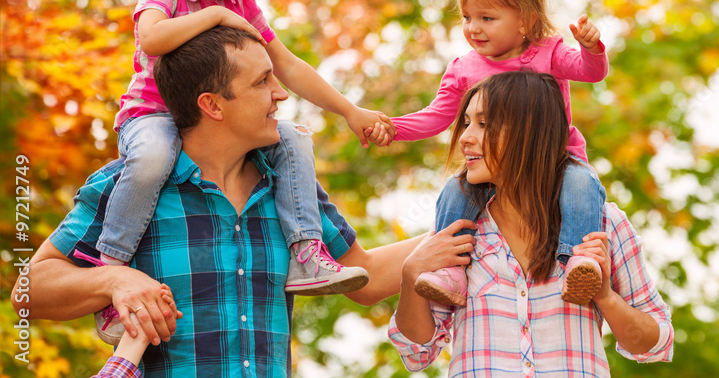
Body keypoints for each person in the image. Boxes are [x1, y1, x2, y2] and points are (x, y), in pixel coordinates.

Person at [17, 27, 471, 377]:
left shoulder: (292, 191)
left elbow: (364, 276)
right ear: (213, 105)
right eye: (262, 83)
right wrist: (114, 280)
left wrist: (473, 225)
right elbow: (29, 291)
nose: (282, 94)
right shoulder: (131, 187)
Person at [97, 0, 395, 337]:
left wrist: (349, 110)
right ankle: (109, 269)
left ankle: (306, 253)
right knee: (151, 160)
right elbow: (150, 38)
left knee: (295, 139)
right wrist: (213, 17)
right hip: (154, 114)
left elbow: (288, 64)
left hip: (216, 123)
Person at [389, 71, 674, 376]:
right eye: (467, 123)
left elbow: (655, 344)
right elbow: (417, 352)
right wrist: (410, 274)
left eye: (484, 124)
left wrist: (605, 296)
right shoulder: (458, 231)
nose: (465, 138)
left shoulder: (601, 224)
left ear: (530, 132)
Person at [371, 0, 609, 306]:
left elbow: (591, 72)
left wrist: (591, 49)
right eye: (467, 17)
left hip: (552, 160)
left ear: (526, 21)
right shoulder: (464, 68)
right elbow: (438, 115)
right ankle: (450, 271)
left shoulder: (549, 52)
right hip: (493, 170)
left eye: (487, 17)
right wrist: (393, 128)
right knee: (456, 191)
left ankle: (581, 262)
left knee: (582, 185)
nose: (473, 27)